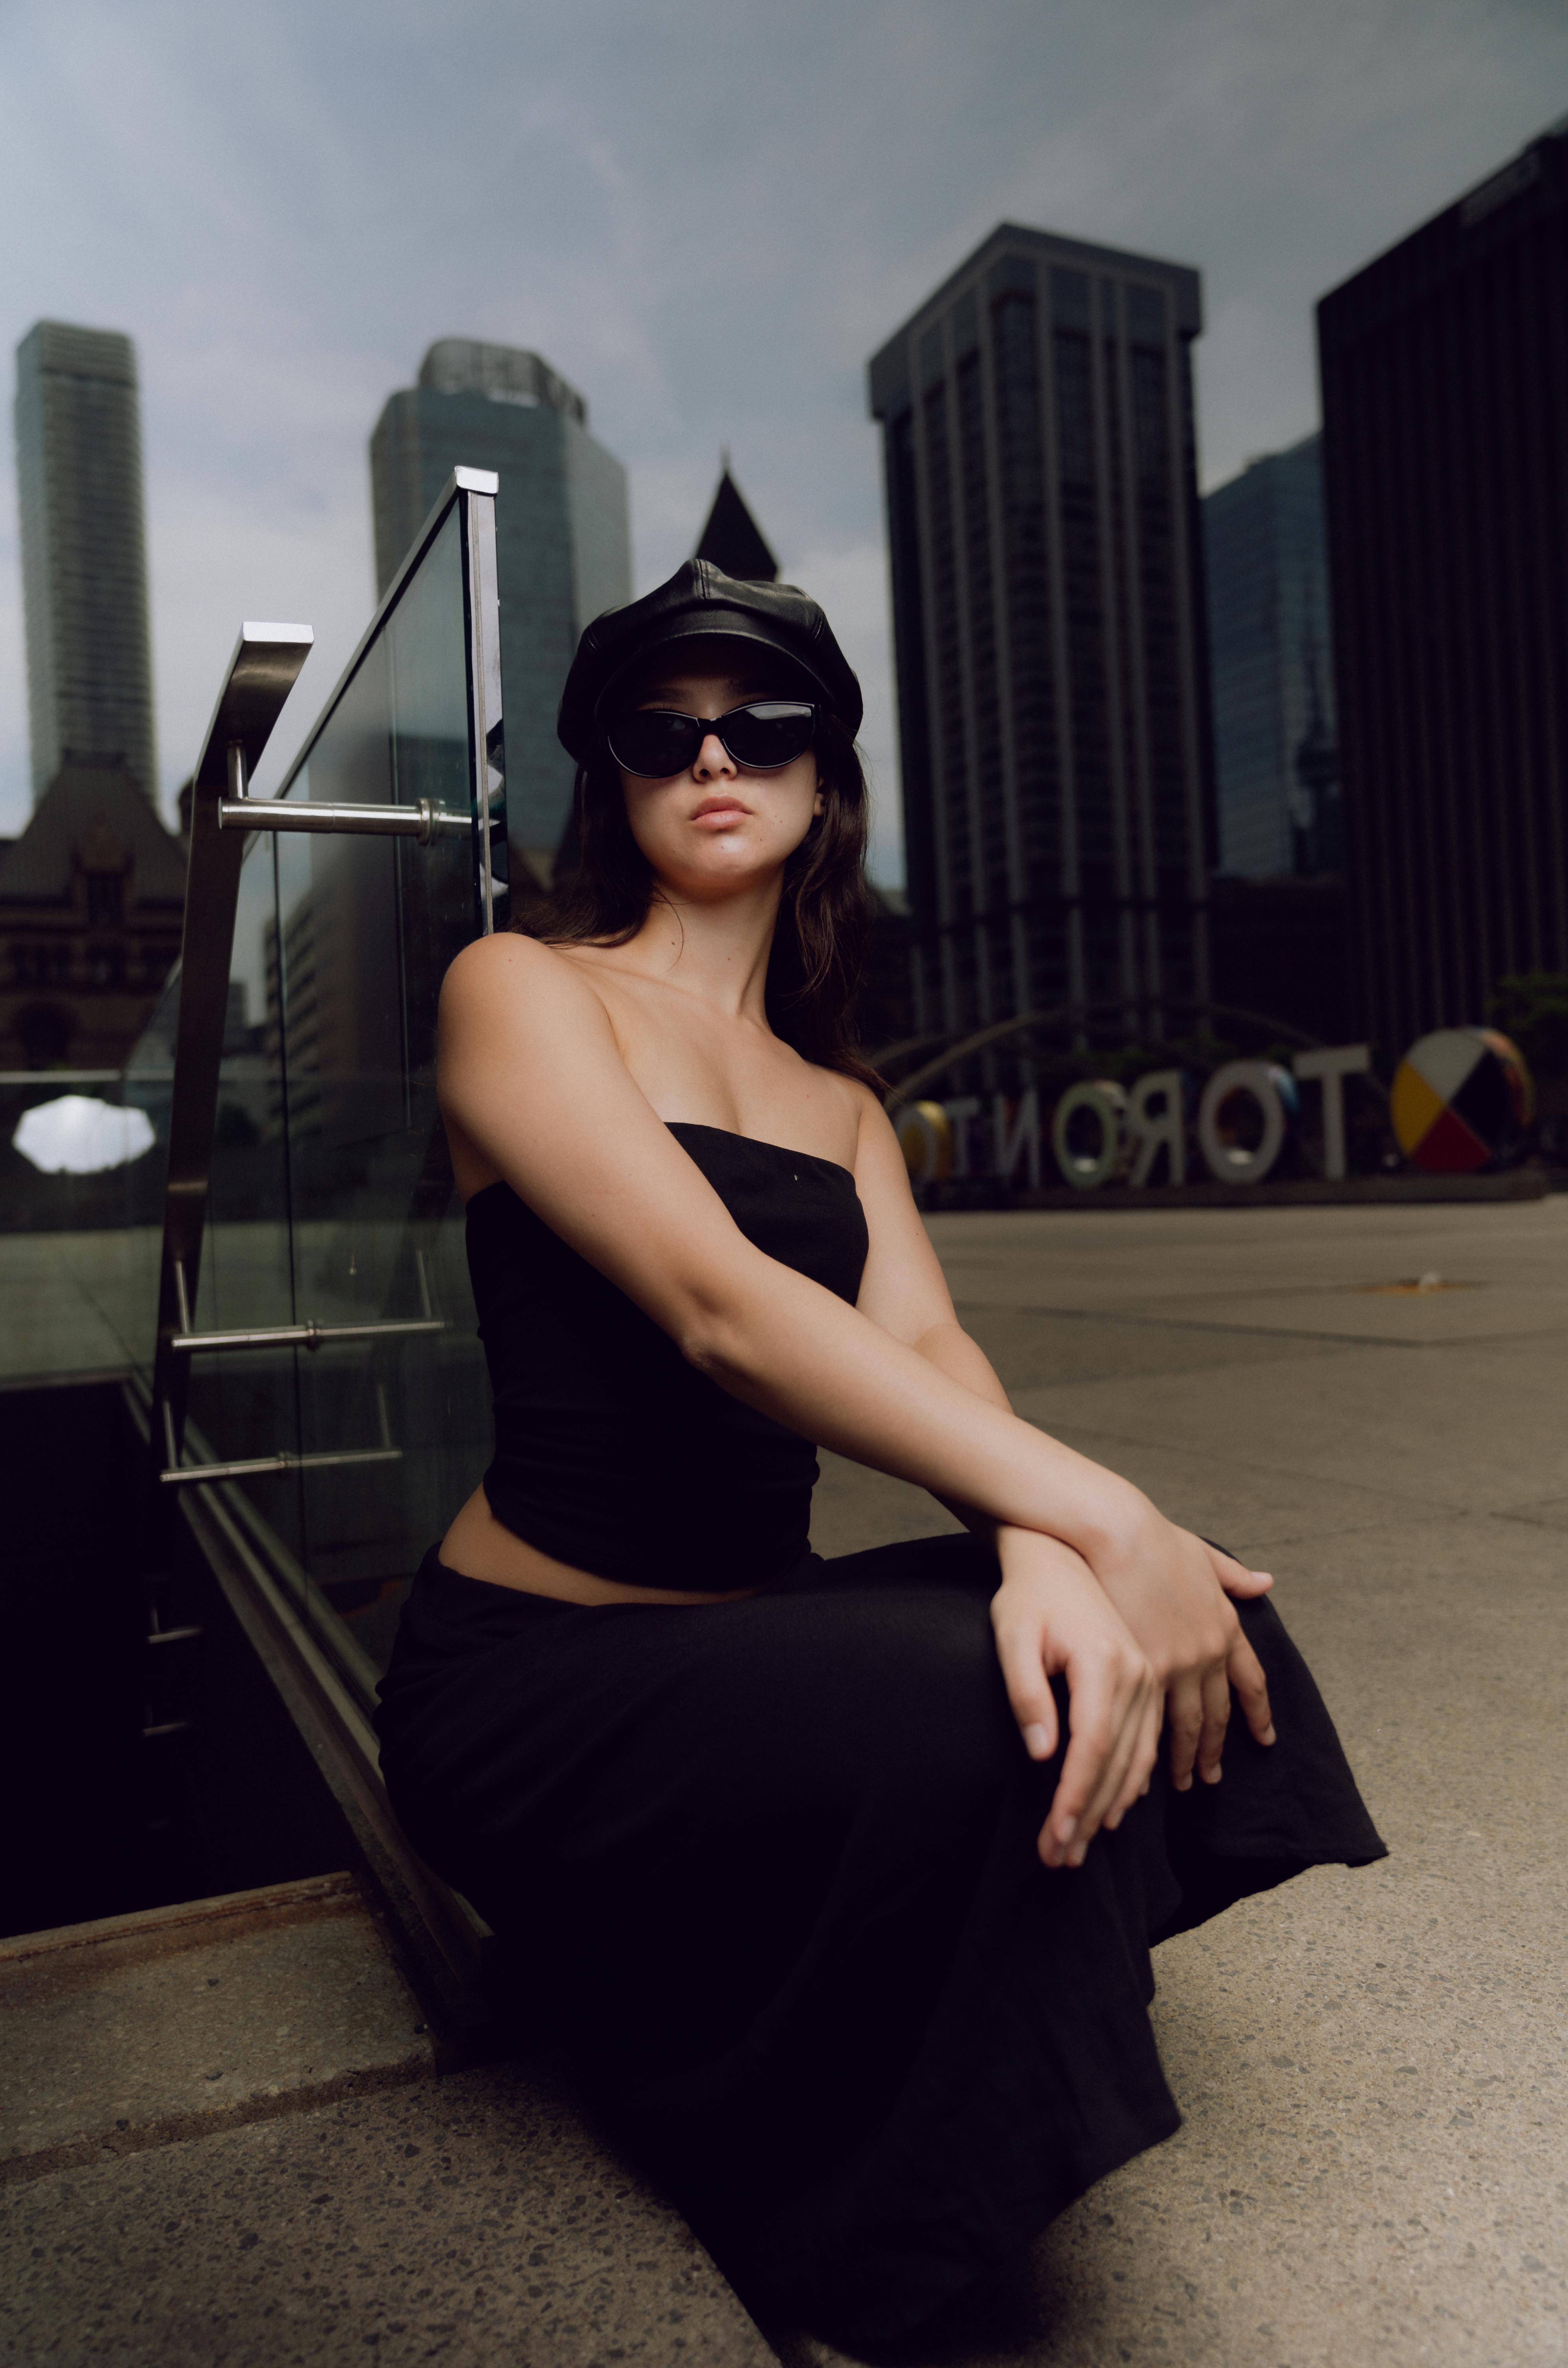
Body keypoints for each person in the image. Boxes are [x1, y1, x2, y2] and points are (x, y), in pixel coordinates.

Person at [375, 560, 1383, 2351]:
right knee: (1001, 1702)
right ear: (609, 774)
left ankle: (797, 1936)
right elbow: (716, 1306)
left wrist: (1048, 1551)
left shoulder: (840, 1101)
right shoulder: (521, 988)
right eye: (661, 730)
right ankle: (875, 2233)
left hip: (746, 1627)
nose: (715, 759)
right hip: (533, 1680)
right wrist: (1091, 1508)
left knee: (1203, 1610)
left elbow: (925, 1348)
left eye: (763, 727)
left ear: (825, 780)